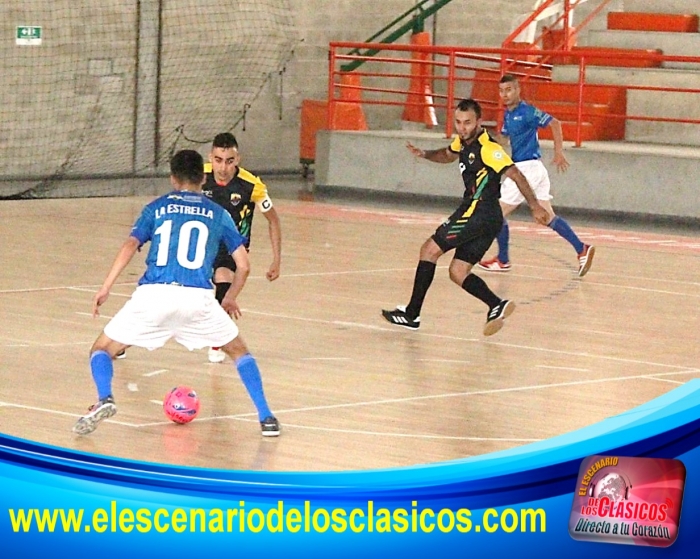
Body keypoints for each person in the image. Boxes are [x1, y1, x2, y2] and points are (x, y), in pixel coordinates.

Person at [72, 149, 280, 437]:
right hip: (198, 298)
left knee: (101, 350)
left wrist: (106, 287)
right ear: (203, 176)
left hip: (153, 295)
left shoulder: (155, 208)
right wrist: (230, 297)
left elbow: (130, 246)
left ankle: (105, 398)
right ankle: (267, 418)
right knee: (239, 352)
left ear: (172, 178)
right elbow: (243, 266)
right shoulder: (218, 214)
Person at [382, 99, 549, 336]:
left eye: (468, 123)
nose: (462, 128)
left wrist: (535, 206)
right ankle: (496, 305)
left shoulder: (488, 148)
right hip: (488, 219)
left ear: (479, 122)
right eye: (458, 122)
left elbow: (517, 175)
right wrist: (425, 154)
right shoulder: (462, 141)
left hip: (477, 212)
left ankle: (411, 314)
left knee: (429, 250)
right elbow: (448, 155)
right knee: (458, 272)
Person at [478, 73, 595, 277]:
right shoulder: (508, 114)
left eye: (509, 90)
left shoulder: (528, 111)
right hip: (535, 169)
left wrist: (559, 152)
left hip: (526, 170)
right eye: (501, 91)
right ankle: (581, 248)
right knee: (547, 216)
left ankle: (503, 260)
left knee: (495, 213)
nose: (505, 95)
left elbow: (555, 123)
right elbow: (504, 140)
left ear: (518, 90)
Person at [203, 132, 282, 363]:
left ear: (237, 159)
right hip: (202, 244)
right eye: (218, 160)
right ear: (211, 158)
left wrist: (276, 259)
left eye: (229, 161)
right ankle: (125, 341)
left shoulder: (252, 185)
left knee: (223, 277)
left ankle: (217, 341)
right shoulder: (200, 177)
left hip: (232, 246)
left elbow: (273, 220)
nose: (223, 167)